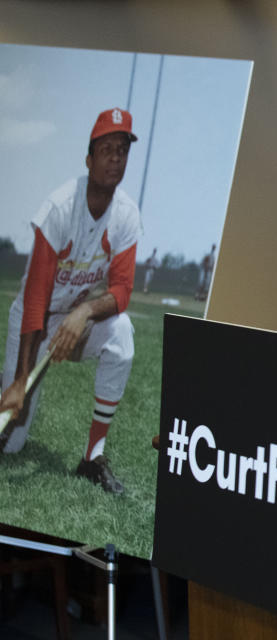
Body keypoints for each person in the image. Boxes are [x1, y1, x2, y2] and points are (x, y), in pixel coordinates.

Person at [0, 108, 141, 495]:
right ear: (89, 158)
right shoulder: (61, 207)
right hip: (36, 322)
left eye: (123, 150)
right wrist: (19, 382)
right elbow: (35, 299)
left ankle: (92, 458)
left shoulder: (126, 214)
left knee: (122, 335)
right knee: (11, 440)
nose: (116, 157)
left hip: (78, 322)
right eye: (107, 149)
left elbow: (123, 290)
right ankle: (5, 384)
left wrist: (83, 312)